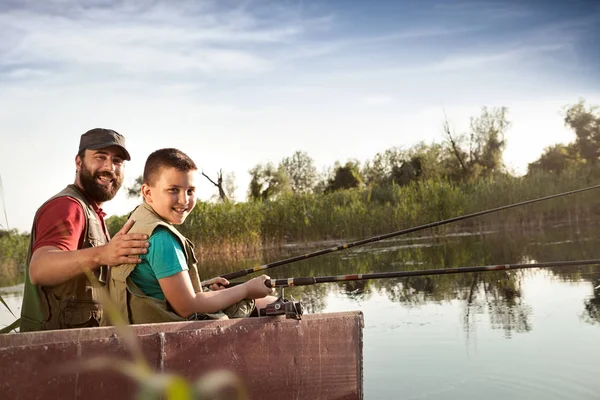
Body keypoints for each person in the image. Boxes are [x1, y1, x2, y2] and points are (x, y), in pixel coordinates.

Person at [105, 148, 275, 325]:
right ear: (148, 193)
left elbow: (156, 289)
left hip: (129, 329)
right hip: (162, 336)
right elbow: (188, 307)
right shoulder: (162, 238)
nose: (184, 200)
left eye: (190, 191)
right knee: (271, 304)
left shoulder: (138, 218)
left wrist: (204, 287)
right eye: (173, 190)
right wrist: (247, 289)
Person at [20, 128, 150, 332]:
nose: (110, 167)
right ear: (78, 162)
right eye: (100, 157)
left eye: (117, 161)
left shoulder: (91, 210)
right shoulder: (68, 206)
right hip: (59, 355)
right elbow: (40, 269)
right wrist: (103, 254)